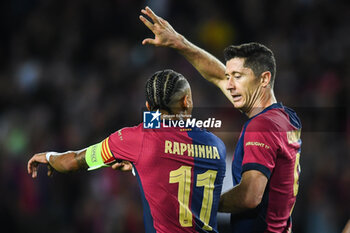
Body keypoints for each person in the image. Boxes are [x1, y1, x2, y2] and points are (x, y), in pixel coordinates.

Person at [140, 7, 302, 233]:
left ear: (264, 79)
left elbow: (249, 196)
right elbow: (217, 76)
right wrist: (179, 42)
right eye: (229, 77)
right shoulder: (286, 118)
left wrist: (199, 204)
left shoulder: (261, 126)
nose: (229, 85)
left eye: (238, 77)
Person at [28, 69, 227, 233]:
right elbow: (185, 172)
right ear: (187, 101)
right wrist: (139, 168)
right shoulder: (217, 146)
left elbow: (72, 162)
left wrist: (49, 157)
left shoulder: (135, 138)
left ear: (148, 106)